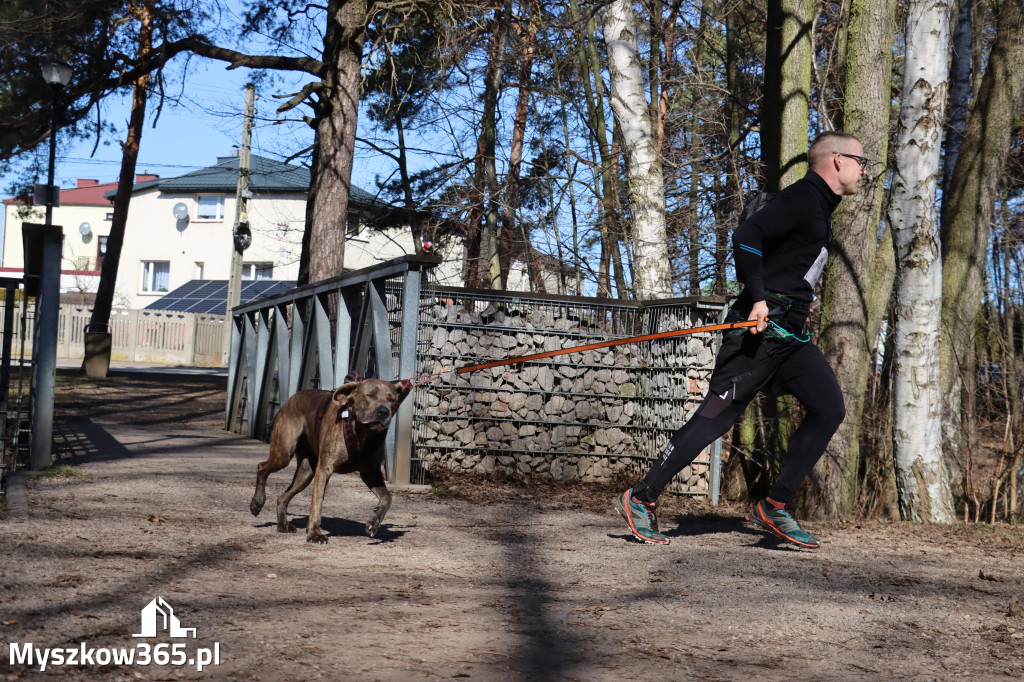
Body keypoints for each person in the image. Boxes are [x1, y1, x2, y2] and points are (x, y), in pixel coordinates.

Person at [615, 131, 867, 549]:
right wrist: (759, 300)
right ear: (837, 160)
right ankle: (641, 497)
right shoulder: (804, 197)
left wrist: (791, 303)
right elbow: (747, 235)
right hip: (757, 333)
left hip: (789, 337)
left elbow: (788, 264)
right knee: (716, 417)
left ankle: (775, 504)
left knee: (829, 407)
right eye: (861, 161)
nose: (864, 171)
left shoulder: (822, 208)